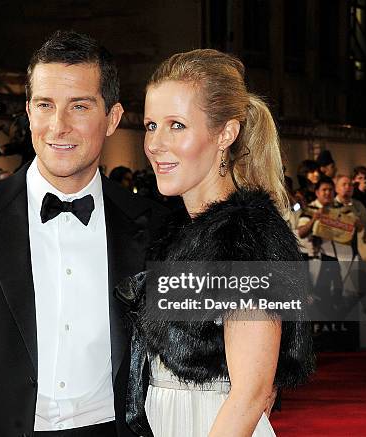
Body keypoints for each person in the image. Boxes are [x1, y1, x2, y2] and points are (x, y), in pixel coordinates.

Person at [0, 30, 166, 437]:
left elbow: (261, 306)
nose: (58, 126)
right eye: (45, 105)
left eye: (79, 106)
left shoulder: (155, 224)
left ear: (112, 118)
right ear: (28, 112)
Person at [117, 49, 314, 437]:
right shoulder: (180, 232)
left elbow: (251, 395)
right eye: (152, 125)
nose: (155, 143)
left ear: (226, 133)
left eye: (177, 126)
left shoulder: (246, 236)